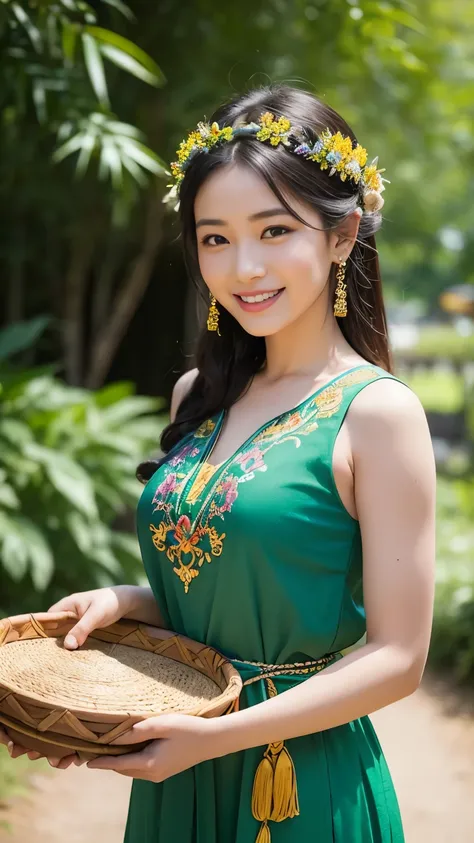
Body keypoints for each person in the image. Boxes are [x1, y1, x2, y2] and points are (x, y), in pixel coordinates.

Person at [1, 84, 436, 843]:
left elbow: (400, 657)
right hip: (181, 772)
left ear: (342, 235)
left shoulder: (377, 413)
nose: (243, 267)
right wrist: (136, 600)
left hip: (298, 782)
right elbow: (244, 576)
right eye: (214, 238)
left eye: (274, 230)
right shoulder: (197, 395)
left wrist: (216, 737)